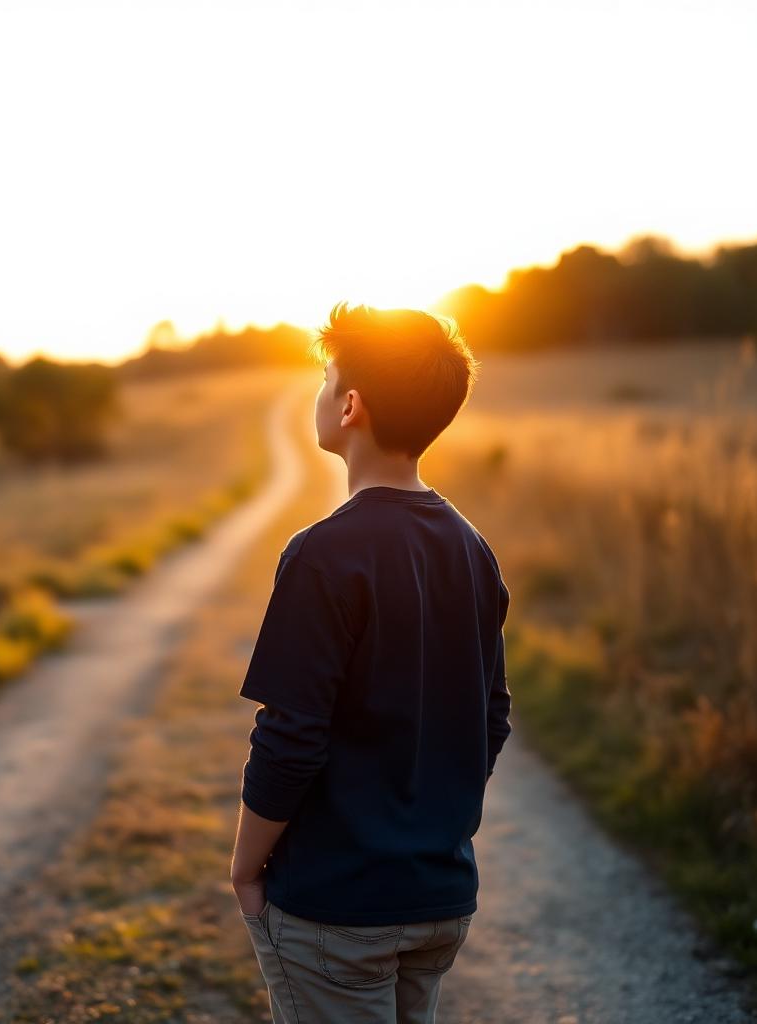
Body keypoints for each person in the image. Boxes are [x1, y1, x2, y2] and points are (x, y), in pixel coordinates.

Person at [229, 301, 512, 1023]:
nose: (320, 395)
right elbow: (492, 718)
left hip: (338, 907)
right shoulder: (472, 549)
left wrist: (245, 865)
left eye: (326, 380)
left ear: (350, 405)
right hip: (440, 899)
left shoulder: (322, 555)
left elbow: (290, 737)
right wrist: (430, 820)